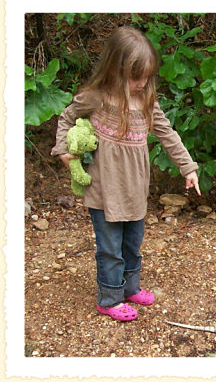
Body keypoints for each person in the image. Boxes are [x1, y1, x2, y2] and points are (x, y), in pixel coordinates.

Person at [51, 26, 201, 321]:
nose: (142, 82)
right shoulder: (95, 98)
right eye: (136, 77)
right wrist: (63, 151)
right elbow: (66, 117)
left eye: (147, 76)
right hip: (104, 190)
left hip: (134, 190)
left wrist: (188, 167)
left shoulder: (146, 102)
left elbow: (168, 134)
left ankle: (129, 288)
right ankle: (109, 298)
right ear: (115, 70)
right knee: (110, 249)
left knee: (132, 244)